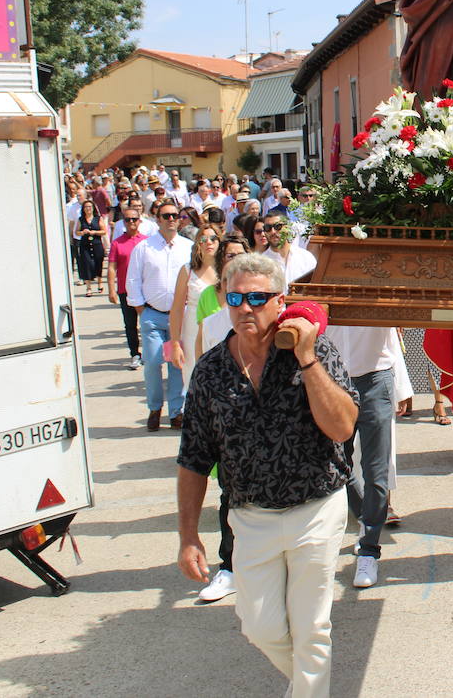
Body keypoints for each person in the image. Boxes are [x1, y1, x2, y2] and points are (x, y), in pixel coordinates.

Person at [176, 255, 358, 698]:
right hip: (250, 516)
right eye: (235, 298)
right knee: (259, 626)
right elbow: (193, 459)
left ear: (281, 300)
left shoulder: (314, 350)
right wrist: (188, 537)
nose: (245, 308)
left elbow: (343, 426)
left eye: (258, 298)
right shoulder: (211, 370)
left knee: (312, 626)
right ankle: (306, 685)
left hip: (315, 506)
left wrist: (307, 358)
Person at [321, 326, 408, 588]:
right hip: (331, 380)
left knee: (376, 471)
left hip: (374, 380)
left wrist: (403, 387)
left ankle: (369, 550)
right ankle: (365, 517)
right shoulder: (324, 287)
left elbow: (395, 325)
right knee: (334, 464)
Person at [126, 198, 195, 431]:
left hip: (180, 316)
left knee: (177, 364)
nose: (172, 219)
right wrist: (140, 308)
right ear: (158, 220)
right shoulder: (144, 248)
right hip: (153, 315)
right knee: (153, 362)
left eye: (175, 215)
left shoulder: (187, 247)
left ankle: (176, 412)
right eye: (166, 216)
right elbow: (133, 279)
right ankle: (155, 408)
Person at [168, 227, 221, 392]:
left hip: (221, 330)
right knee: (194, 377)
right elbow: (176, 309)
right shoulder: (187, 270)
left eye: (213, 238)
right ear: (197, 243)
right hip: (192, 332)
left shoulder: (227, 270)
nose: (209, 243)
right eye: (203, 239)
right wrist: (175, 344)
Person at [107, 208, 149, 371]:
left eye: (134, 219)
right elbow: (112, 267)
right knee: (130, 324)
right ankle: (135, 354)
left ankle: (149, 353)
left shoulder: (146, 241)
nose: (131, 222)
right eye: (128, 219)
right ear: (123, 222)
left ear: (139, 220)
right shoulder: (117, 243)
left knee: (148, 322)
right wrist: (111, 289)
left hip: (146, 290)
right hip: (125, 290)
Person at [74, 198, 107, 297]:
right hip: (85, 244)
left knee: (98, 263)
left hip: (96, 243)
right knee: (87, 264)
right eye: (86, 207)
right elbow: (76, 232)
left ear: (93, 208)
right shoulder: (81, 219)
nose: (88, 209)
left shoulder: (98, 218)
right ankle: (88, 288)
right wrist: (82, 232)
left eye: (90, 207)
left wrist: (95, 232)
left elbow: (104, 231)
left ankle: (99, 283)